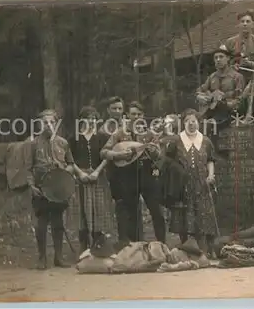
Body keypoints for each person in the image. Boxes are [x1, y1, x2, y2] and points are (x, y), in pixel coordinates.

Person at [101, 101, 166, 245]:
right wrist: (118, 155)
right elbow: (104, 152)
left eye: (139, 114)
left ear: (143, 115)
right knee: (130, 211)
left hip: (147, 174)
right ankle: (133, 246)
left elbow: (159, 156)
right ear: (127, 115)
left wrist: (154, 152)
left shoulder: (149, 133)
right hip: (127, 175)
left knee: (156, 211)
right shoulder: (119, 133)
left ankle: (162, 244)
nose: (136, 117)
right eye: (133, 114)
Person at [26, 109, 77, 270]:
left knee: (57, 221)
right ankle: (42, 258)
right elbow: (27, 168)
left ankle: (58, 257)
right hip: (41, 189)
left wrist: (64, 173)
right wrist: (32, 186)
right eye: (45, 122)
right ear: (39, 124)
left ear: (56, 124)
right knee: (41, 223)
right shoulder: (33, 143)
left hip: (58, 189)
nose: (49, 125)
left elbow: (71, 164)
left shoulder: (63, 143)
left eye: (52, 122)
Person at [167, 109, 218, 257]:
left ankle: (205, 249)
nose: (191, 123)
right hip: (183, 184)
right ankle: (187, 249)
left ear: (198, 122)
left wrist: (211, 175)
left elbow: (210, 160)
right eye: (187, 120)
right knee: (185, 214)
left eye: (194, 120)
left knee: (203, 214)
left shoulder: (206, 141)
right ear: (183, 123)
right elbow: (168, 161)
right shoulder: (177, 140)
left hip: (202, 183)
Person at [68, 106, 114, 253]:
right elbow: (70, 159)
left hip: (97, 178)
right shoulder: (74, 138)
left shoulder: (101, 137)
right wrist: (80, 173)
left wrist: (97, 172)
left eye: (94, 118)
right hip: (81, 179)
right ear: (81, 120)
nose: (91, 121)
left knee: (99, 211)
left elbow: (106, 157)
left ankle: (98, 246)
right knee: (82, 212)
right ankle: (83, 247)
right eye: (88, 118)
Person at [196, 45, 245, 130]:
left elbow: (239, 100)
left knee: (210, 125)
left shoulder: (237, 77)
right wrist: (199, 96)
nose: (218, 60)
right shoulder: (212, 77)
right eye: (216, 58)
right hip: (211, 111)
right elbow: (200, 90)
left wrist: (225, 103)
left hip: (229, 112)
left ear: (228, 58)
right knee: (193, 118)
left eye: (221, 57)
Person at [224, 9, 254, 80]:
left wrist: (251, 64)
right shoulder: (230, 42)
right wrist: (232, 67)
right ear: (238, 24)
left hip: (253, 78)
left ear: (252, 24)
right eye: (242, 21)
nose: (245, 24)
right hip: (234, 79)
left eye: (248, 21)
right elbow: (224, 62)